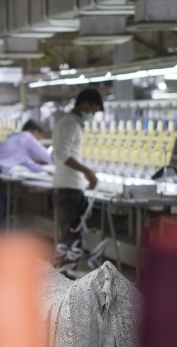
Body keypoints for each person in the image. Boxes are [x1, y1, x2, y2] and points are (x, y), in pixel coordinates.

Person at [51, 88, 102, 271]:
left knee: (66, 239)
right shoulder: (72, 124)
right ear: (85, 104)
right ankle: (65, 285)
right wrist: (88, 171)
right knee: (71, 241)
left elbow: (54, 156)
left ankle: (62, 282)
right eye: (93, 110)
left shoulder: (62, 122)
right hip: (69, 190)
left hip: (63, 187)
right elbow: (61, 154)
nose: (93, 115)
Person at [0, 119, 50, 231]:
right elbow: (47, 156)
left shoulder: (18, 140)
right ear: (30, 130)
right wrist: (65, 163)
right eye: (38, 134)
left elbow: (29, 163)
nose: (38, 138)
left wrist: (47, 172)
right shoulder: (27, 137)